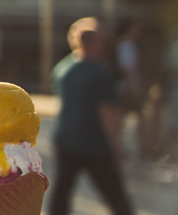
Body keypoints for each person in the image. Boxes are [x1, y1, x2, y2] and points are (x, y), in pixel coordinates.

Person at [50, 18, 136, 215]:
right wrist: (117, 146)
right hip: (94, 142)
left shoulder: (62, 68)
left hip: (65, 138)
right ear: (95, 44)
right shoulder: (99, 72)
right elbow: (105, 112)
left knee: (62, 190)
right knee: (114, 193)